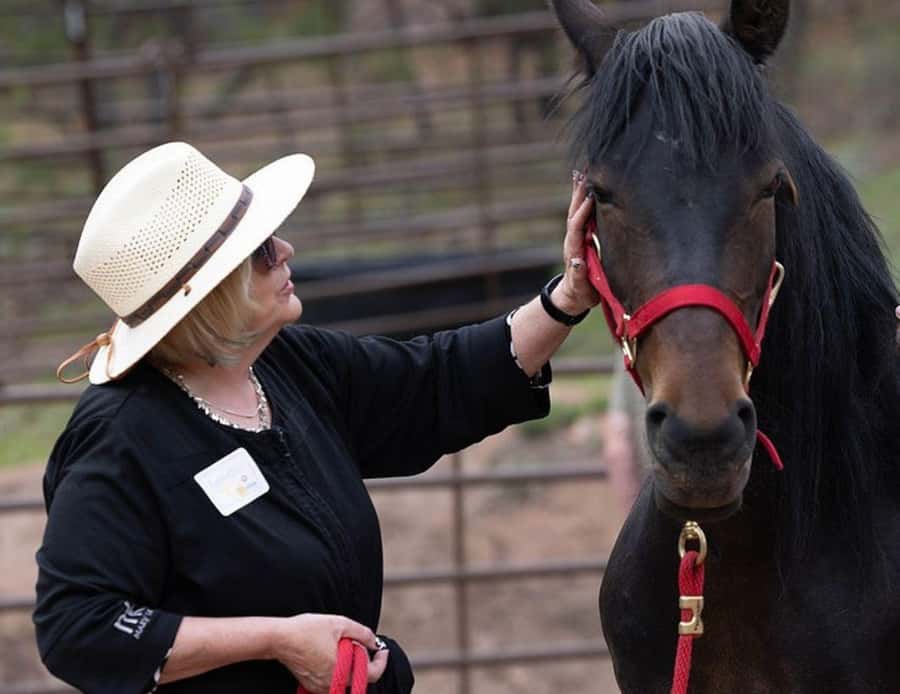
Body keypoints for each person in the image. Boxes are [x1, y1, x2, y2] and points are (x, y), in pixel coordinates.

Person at [33, 142, 598, 694]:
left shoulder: (287, 363)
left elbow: (434, 379)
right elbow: (78, 626)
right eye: (259, 250)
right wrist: (277, 641)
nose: (286, 249)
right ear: (208, 294)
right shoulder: (120, 436)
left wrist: (568, 297)